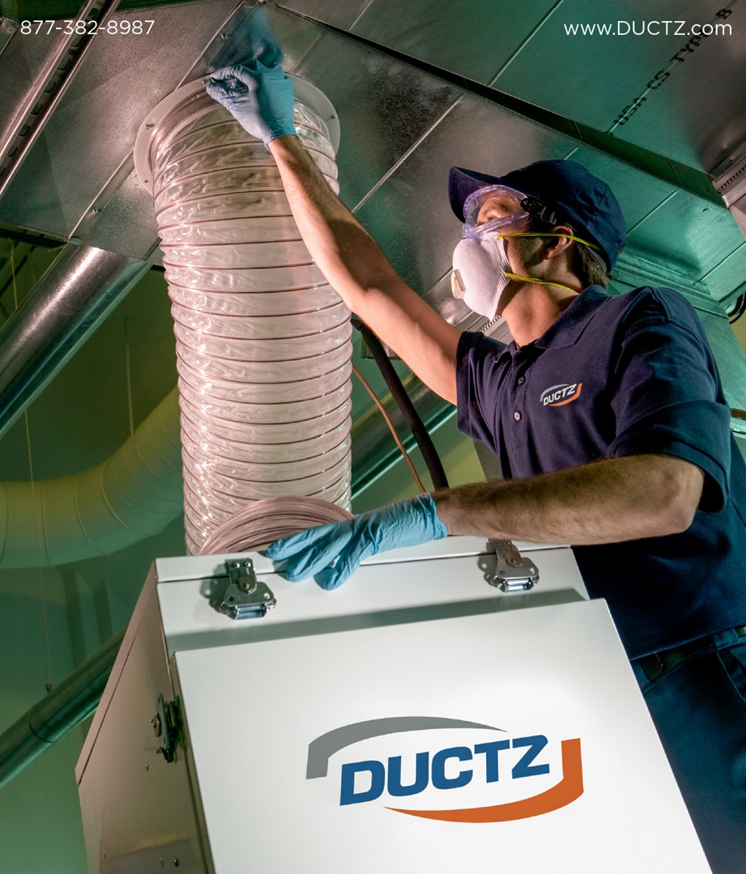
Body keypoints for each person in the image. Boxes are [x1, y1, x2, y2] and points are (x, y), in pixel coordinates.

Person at [206, 58, 746, 872]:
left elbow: (666, 492)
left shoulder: (641, 318)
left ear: (558, 239)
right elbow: (371, 284)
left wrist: (440, 514)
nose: (467, 238)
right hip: (611, 697)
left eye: (487, 214)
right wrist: (283, 141)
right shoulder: (503, 381)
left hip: (708, 670)